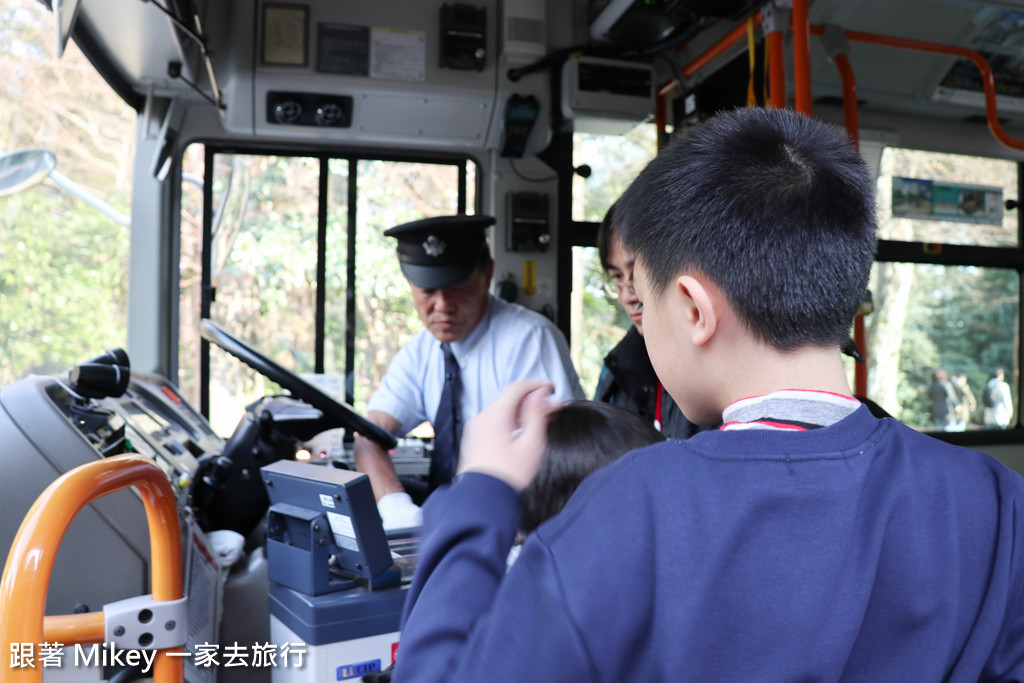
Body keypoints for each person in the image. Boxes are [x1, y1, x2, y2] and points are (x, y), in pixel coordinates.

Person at [393, 107, 1024, 681]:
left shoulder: (629, 510)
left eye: (642, 292)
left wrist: (482, 493)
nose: (636, 312)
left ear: (694, 309)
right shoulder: (995, 501)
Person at [353, 214, 584, 530]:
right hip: (455, 523)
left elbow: (558, 456)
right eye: (427, 291)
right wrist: (396, 508)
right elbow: (369, 433)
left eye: (457, 287)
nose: (443, 305)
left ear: (487, 274)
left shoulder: (529, 339)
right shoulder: (420, 351)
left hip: (524, 524)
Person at [593, 203, 708, 438]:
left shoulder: (716, 366)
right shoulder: (616, 369)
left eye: (636, 274)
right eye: (617, 277)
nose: (627, 295)